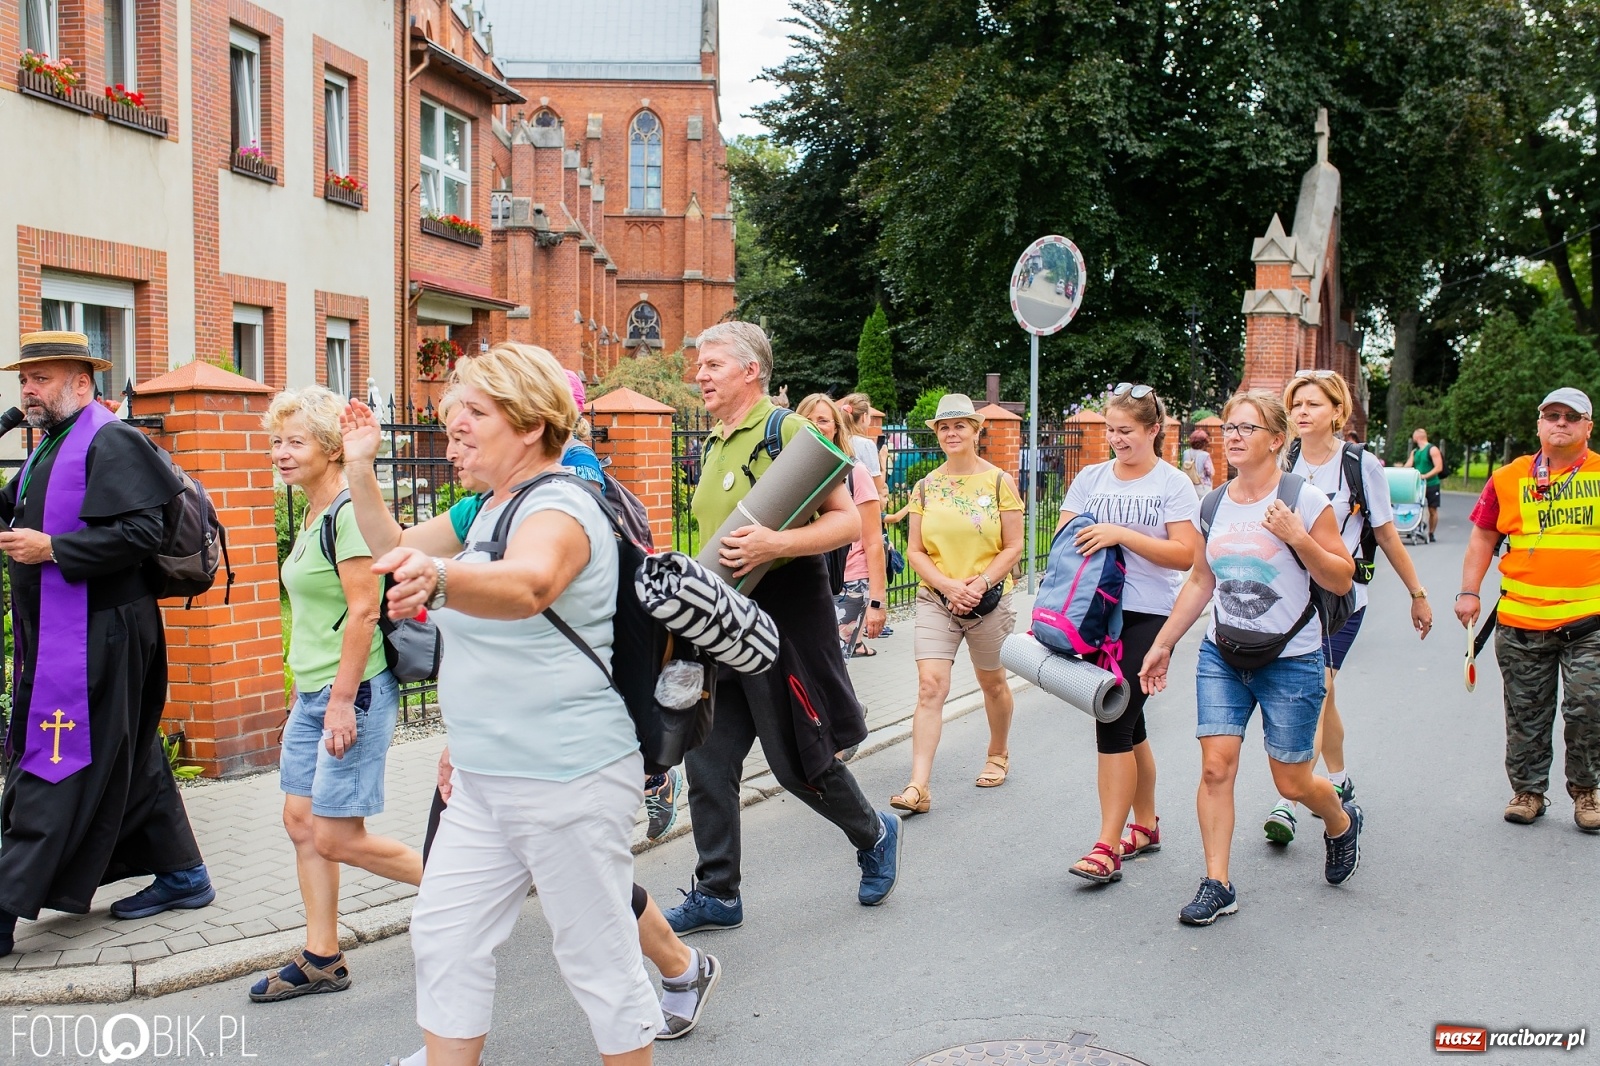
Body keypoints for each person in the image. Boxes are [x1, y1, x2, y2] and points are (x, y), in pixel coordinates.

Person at [341, 374, 720, 1051]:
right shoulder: (482, 510)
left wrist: (444, 579)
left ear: (529, 425)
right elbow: (391, 545)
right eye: (454, 417)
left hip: (566, 775)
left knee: (596, 959)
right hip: (485, 781)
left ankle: (672, 988)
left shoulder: (563, 507)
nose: (455, 430)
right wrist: (359, 467)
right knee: (444, 938)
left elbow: (532, 584)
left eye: (474, 415)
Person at [664, 322, 902, 935]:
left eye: (712, 364)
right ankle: (718, 891)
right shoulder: (715, 443)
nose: (700, 374)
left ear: (751, 370)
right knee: (707, 759)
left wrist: (776, 542)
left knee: (798, 764)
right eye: (700, 364)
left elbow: (848, 524)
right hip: (722, 624)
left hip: (782, 624)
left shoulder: (789, 433)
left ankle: (874, 831)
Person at [0, 332, 213, 955]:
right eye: (24, 379)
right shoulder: (48, 448)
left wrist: (54, 550)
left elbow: (143, 531)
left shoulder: (109, 438)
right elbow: (15, 517)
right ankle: (182, 873)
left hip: (104, 629)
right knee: (127, 746)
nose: (28, 389)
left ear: (82, 383)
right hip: (68, 629)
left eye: (42, 377)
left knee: (55, 755)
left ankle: (5, 904)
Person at [1139, 391, 1362, 926]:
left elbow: (1341, 575)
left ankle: (1339, 821)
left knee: (1292, 782)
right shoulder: (1212, 504)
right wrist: (1164, 642)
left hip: (1291, 658)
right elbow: (1200, 580)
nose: (1233, 436)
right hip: (1223, 653)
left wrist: (1298, 538)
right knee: (1216, 767)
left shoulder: (1304, 500)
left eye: (1246, 428)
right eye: (1229, 428)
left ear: (1276, 440)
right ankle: (1217, 882)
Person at [248, 387, 420, 1001]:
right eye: (276, 441)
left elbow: (362, 613)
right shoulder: (312, 514)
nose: (281, 453)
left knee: (338, 834)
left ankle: (467, 889)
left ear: (328, 449)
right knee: (301, 822)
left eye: (295, 442)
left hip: (353, 693)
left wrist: (341, 701)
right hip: (315, 693)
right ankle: (322, 956)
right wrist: (304, 694)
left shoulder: (347, 513)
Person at [1261, 371, 1433, 845]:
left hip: (1340, 599)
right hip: (1292, 600)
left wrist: (1417, 594)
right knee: (1326, 693)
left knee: (1317, 687)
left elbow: (1385, 533)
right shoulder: (1285, 460)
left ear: (1337, 412)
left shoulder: (1361, 465)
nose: (1301, 412)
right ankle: (1337, 777)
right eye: (1296, 405)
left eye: (1313, 404)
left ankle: (1290, 799)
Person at [1058, 384, 1199, 883]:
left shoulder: (1173, 483)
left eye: (1126, 432)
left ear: (1153, 430)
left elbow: (1186, 555)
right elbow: (1066, 541)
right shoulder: (1092, 478)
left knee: (1112, 718)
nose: (1116, 440)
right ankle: (1145, 825)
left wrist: (1122, 534)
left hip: (1150, 613)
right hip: (1095, 614)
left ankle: (1106, 846)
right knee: (1132, 724)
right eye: (1111, 430)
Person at [1456, 387, 1600, 832]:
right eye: (1551, 415)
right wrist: (1469, 591)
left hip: (1589, 621)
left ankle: (1586, 791)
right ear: (1538, 423)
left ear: (1587, 427)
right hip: (1521, 620)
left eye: (1571, 417)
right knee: (1525, 712)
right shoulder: (1508, 477)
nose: (1560, 423)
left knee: (1587, 706)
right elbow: (1483, 537)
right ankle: (1528, 791)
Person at [890, 393, 1023, 814]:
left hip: (988, 600)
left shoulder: (999, 481)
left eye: (959, 425)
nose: (951, 433)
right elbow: (914, 551)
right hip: (936, 598)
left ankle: (998, 753)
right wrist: (949, 586)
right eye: (944, 427)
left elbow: (1015, 545)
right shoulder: (925, 487)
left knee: (993, 683)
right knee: (931, 687)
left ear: (975, 431)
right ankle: (918, 785)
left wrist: (979, 584)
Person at [795, 394, 887, 657]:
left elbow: (873, 540)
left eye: (823, 420)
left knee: (832, 665)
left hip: (848, 585)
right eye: (807, 419)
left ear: (836, 427)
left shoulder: (855, 472)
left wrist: (877, 603)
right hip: (805, 580)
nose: (814, 425)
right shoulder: (791, 474)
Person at [1397, 427, 1443, 542]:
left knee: (1432, 509)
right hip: (1418, 484)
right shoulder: (1415, 452)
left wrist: (1425, 476)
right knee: (1416, 506)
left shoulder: (1432, 449)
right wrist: (1400, 471)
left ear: (1417, 437)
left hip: (1432, 483)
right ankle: (1415, 526)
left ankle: (1431, 533)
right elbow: (1409, 464)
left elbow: (1439, 467)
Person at [839, 392, 888, 499]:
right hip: (859, 504)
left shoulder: (838, 440)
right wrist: (883, 464)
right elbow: (878, 487)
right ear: (864, 417)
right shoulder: (866, 444)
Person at [1181, 428, 1215, 496]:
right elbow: (1210, 472)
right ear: (1204, 442)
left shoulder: (1186, 453)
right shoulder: (1205, 455)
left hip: (1188, 486)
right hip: (1203, 487)